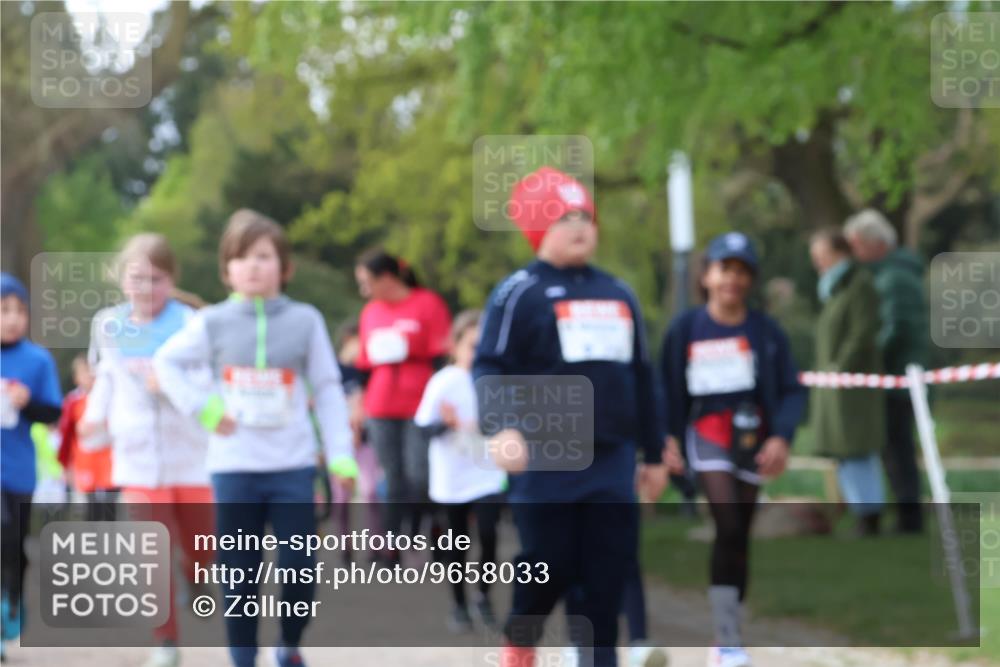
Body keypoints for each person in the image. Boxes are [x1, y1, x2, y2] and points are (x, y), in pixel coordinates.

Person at [474, 166, 667, 667]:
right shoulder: (518, 292)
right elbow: (489, 365)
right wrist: (501, 427)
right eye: (564, 217)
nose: (580, 226)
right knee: (549, 563)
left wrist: (653, 451)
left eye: (586, 215)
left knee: (606, 571)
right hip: (546, 456)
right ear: (538, 229)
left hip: (612, 459)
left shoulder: (619, 293)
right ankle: (520, 641)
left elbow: (643, 376)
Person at [154, 209, 356, 667]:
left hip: (292, 466)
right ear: (227, 269)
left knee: (300, 570)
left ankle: (289, 643)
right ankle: (242, 658)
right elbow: (166, 363)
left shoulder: (306, 320)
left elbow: (326, 387)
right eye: (242, 258)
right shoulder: (212, 323)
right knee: (239, 573)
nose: (253, 266)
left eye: (264, 256)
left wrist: (341, 455)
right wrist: (203, 406)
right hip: (234, 468)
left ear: (285, 267)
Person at [660, 232, 806, 667]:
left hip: (752, 441)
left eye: (742, 272)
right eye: (725, 269)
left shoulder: (766, 331)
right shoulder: (686, 329)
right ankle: (726, 639)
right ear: (707, 275)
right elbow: (665, 390)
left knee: (739, 533)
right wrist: (665, 440)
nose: (733, 280)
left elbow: (791, 390)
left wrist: (781, 436)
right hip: (706, 436)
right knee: (726, 523)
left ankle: (728, 632)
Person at [80, 234, 213, 667]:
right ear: (122, 280)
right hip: (136, 456)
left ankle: (198, 576)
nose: (145, 288)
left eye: (156, 279)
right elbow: (107, 379)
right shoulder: (108, 324)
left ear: (171, 280)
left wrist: (174, 388)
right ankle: (166, 643)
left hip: (191, 456)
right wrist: (93, 420)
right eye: (137, 278)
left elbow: (210, 386)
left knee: (201, 548)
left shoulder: (193, 324)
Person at [352, 249, 451, 561]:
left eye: (367, 281)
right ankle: (390, 543)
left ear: (387, 278)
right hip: (381, 403)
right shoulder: (371, 312)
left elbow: (441, 356)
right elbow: (363, 367)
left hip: (419, 401)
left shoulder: (427, 303)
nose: (364, 290)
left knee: (419, 473)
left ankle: (436, 526)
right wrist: (358, 405)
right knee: (392, 476)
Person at [414, 309, 506, 634]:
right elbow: (423, 427)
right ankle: (459, 604)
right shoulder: (444, 381)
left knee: (490, 534)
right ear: (456, 346)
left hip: (487, 472)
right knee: (456, 543)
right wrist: (447, 423)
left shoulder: (495, 381)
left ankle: (483, 596)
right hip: (452, 475)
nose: (478, 353)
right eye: (472, 345)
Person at [844, 209, 928, 533]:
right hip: (894, 376)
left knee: (898, 449)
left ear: (876, 244)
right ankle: (906, 516)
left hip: (898, 378)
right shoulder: (888, 275)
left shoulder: (893, 278)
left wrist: (867, 359)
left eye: (859, 245)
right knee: (894, 448)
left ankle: (909, 518)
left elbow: (895, 328)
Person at [0, 273, 63, 661]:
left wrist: (27, 403)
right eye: (4, 310)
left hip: (20, 470)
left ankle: (11, 607)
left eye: (20, 311)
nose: (12, 318)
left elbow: (53, 410)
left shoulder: (37, 359)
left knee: (13, 545)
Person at [808, 228, 886, 536]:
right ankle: (858, 512)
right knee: (843, 451)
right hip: (835, 387)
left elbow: (861, 332)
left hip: (852, 387)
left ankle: (869, 515)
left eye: (821, 255)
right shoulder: (835, 289)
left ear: (839, 253)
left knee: (858, 448)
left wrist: (842, 367)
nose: (817, 263)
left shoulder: (859, 286)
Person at [57, 354, 117, 522]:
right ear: (77, 378)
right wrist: (66, 464)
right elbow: (67, 435)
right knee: (91, 505)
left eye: (93, 372)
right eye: (85, 372)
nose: (90, 376)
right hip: (85, 458)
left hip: (108, 457)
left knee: (110, 502)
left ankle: (111, 539)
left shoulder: (113, 398)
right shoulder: (73, 401)